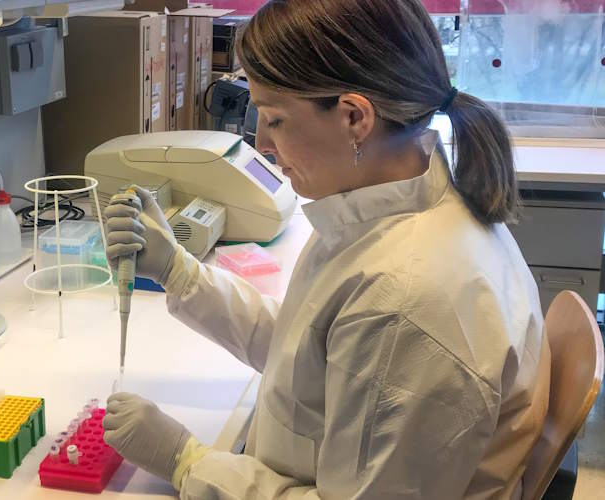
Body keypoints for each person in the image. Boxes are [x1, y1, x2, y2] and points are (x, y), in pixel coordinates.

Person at [100, 0, 550, 498]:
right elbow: (308, 350)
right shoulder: (383, 201)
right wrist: (179, 271)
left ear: (355, 117)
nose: (261, 142)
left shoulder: (407, 300)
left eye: (274, 119)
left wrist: (188, 462)